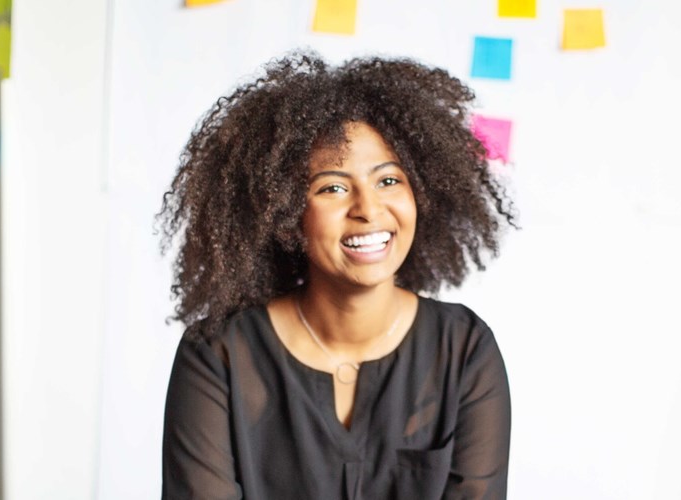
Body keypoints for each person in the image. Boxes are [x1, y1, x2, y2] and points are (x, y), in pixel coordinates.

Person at [159, 52, 515, 499]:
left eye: (388, 181)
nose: (368, 209)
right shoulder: (217, 356)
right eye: (333, 188)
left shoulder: (463, 350)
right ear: (287, 215)